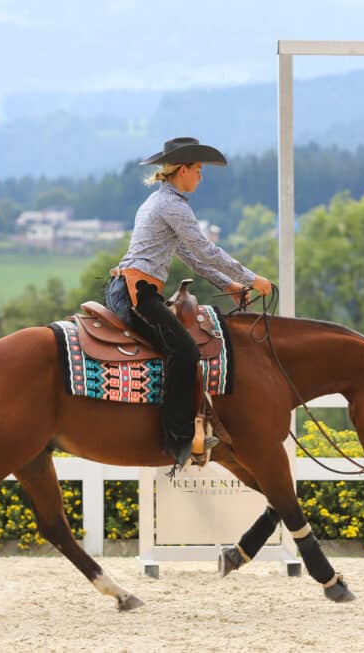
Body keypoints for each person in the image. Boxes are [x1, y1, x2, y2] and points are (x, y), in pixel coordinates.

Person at [105, 137, 272, 469]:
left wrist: (229, 284)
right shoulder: (173, 207)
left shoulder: (159, 203)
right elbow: (205, 251)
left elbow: (190, 257)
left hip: (130, 288)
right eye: (197, 169)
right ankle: (179, 439)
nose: (200, 176)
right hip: (138, 294)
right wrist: (253, 279)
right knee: (185, 352)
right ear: (181, 170)